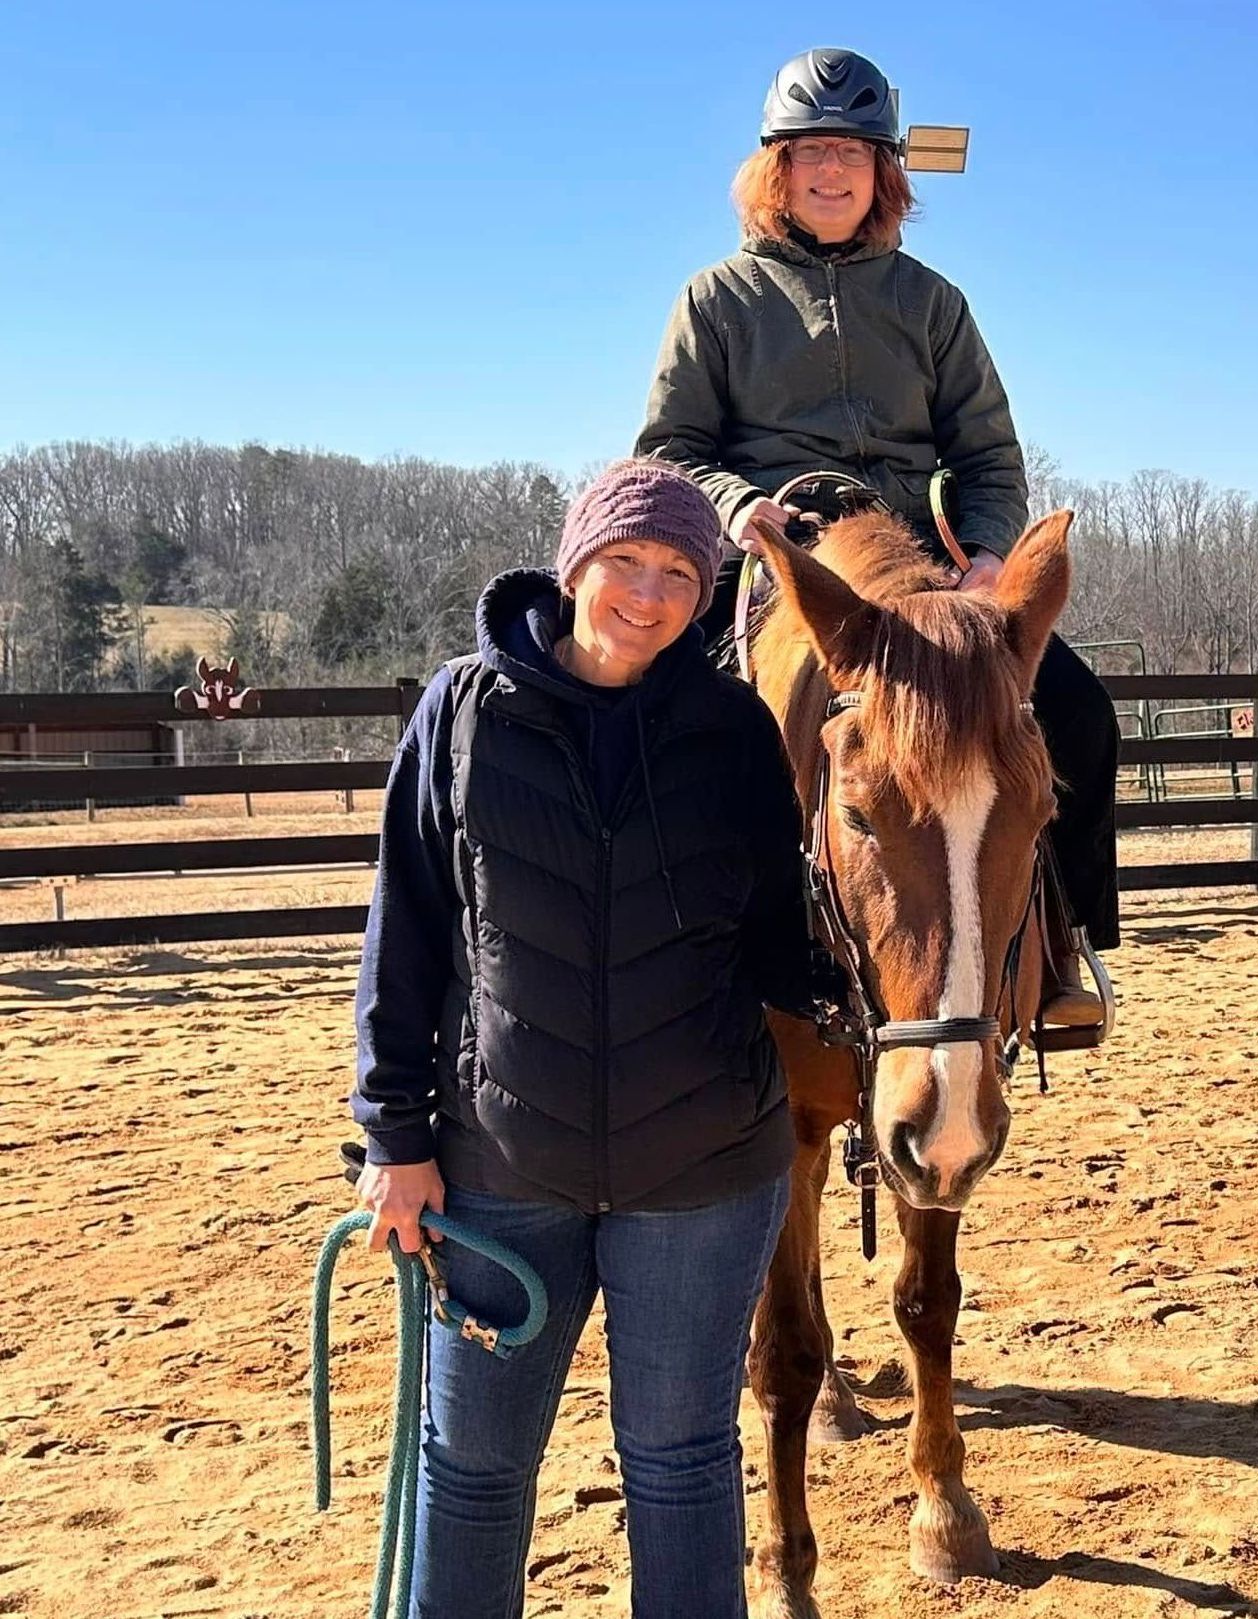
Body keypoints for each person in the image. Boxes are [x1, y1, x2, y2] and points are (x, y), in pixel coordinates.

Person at [350, 458, 818, 1618]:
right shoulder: (462, 710)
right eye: (626, 564)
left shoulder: (733, 729)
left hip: (702, 1177)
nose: (649, 596)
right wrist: (392, 1138)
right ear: (574, 567)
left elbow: (779, 935)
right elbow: (403, 932)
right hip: (500, 1172)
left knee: (682, 1462)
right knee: (470, 1468)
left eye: (678, 573)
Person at [635, 46, 1120, 1022]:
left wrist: (985, 554)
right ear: (776, 169)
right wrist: (735, 505)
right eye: (809, 151)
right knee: (645, 723)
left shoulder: (933, 303)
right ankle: (656, 960)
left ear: (883, 173)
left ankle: (1064, 948)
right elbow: (669, 448)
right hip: (777, 554)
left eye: (851, 154)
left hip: (916, 561)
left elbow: (989, 455)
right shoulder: (715, 300)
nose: (830, 171)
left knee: (1077, 709)